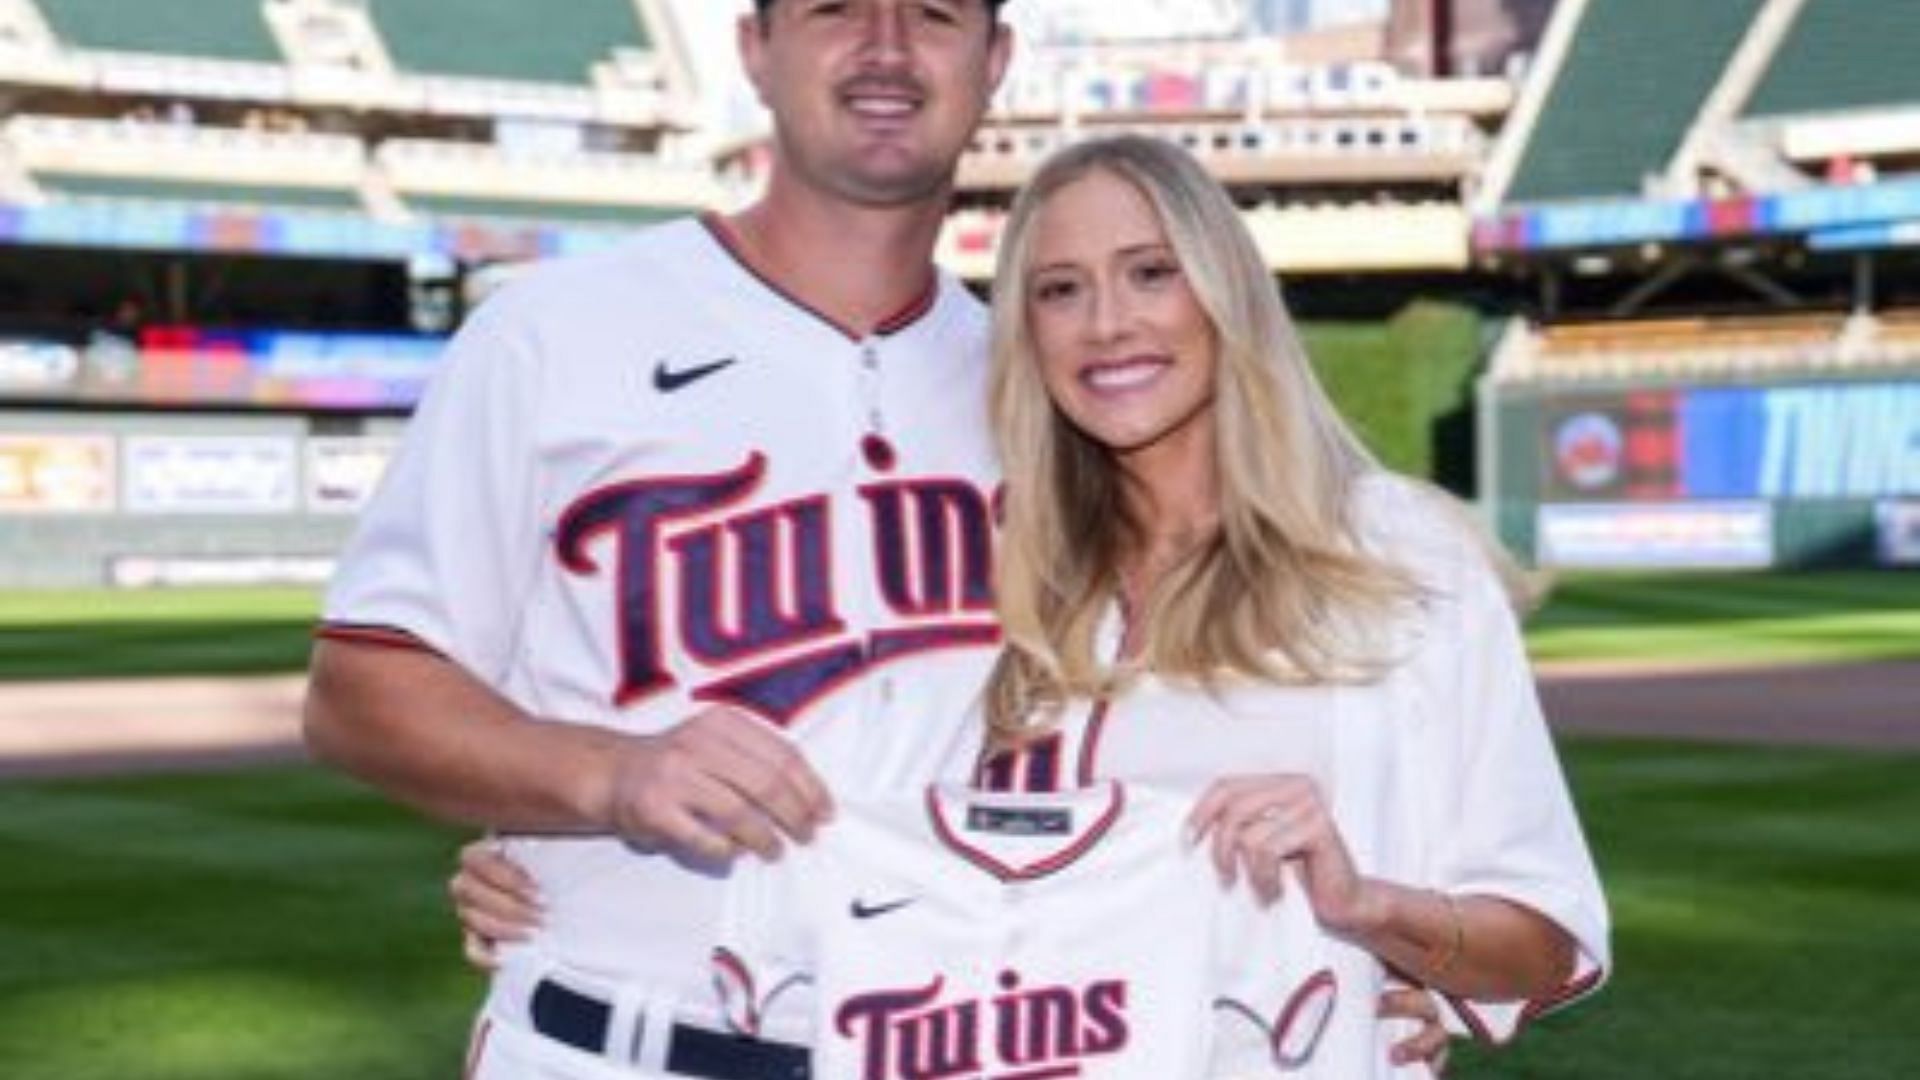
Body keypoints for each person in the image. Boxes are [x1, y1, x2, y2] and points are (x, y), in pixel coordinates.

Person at [447, 134, 1595, 1077]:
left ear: (1226, 294)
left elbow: (1545, 945)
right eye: (1058, 290)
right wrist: (566, 869)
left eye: (1152, 272)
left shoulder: (1400, 556)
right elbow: (846, 808)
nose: (1108, 323)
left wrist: (1367, 915)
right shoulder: (1000, 566)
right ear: (1025, 334)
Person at [305, 1, 1016, 1077]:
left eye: (931, 13)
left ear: (994, 59)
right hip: (615, 1040)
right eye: (834, 9)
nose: (884, 46)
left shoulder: (1043, 383)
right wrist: (606, 776)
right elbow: (360, 691)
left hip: (966, 1044)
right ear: (753, 52)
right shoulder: (553, 331)